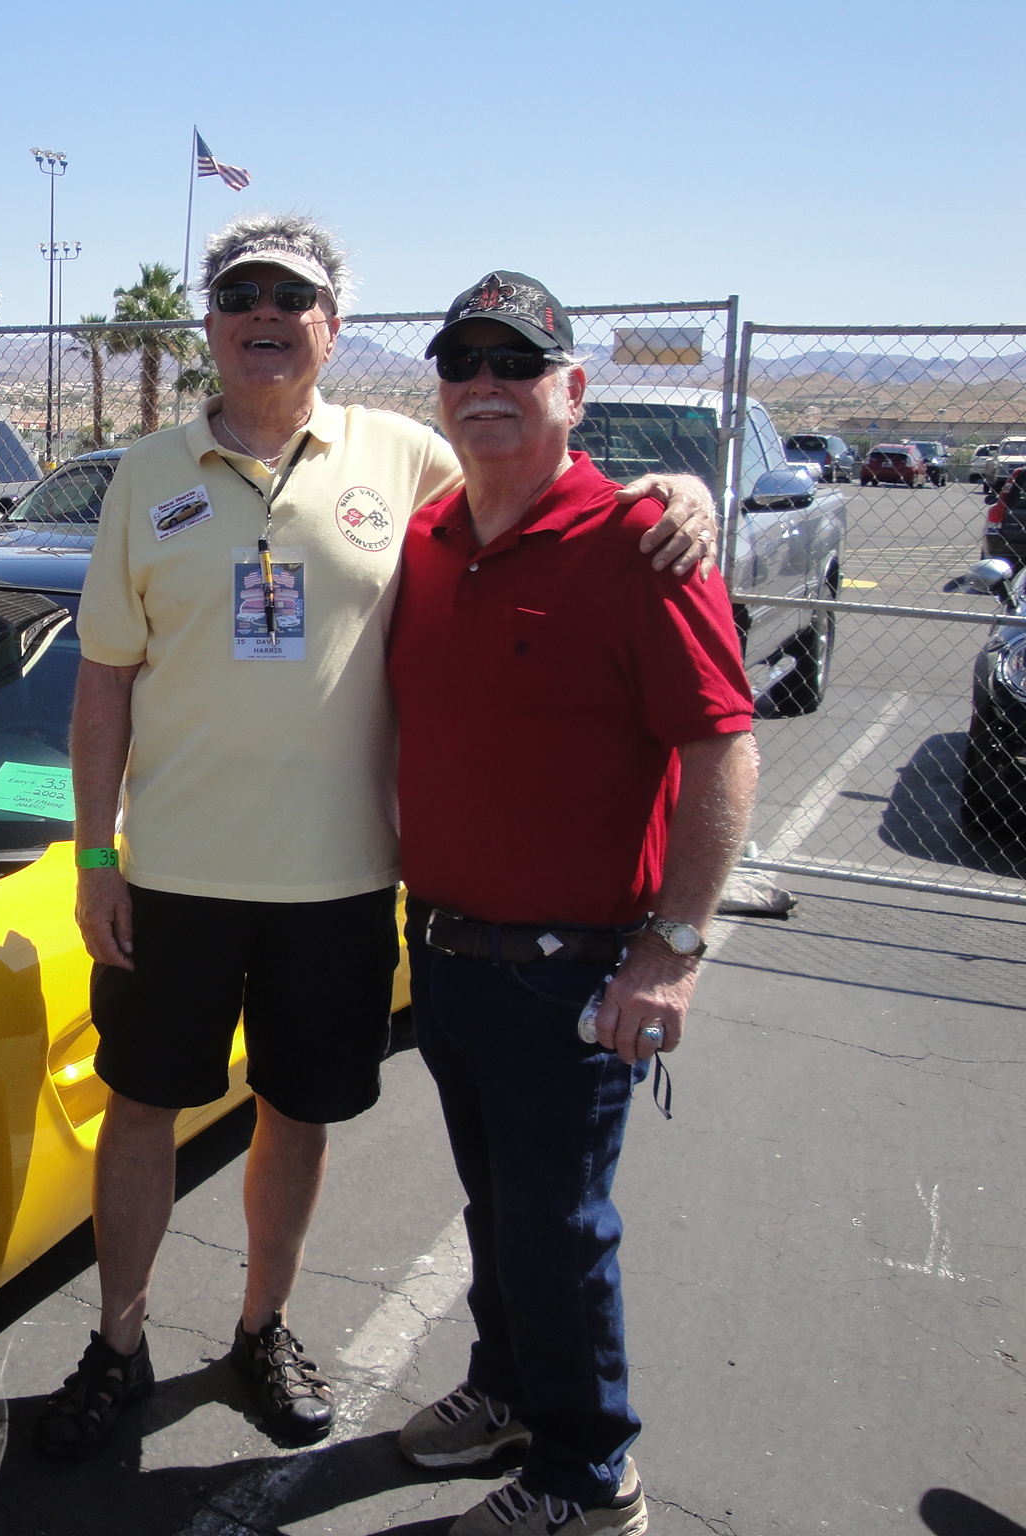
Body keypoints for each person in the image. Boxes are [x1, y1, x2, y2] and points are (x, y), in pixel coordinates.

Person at [36, 219, 719, 1459]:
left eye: (288, 297)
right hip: (171, 880)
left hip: (342, 887)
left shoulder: (402, 455)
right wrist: (93, 860)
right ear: (207, 323)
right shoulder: (145, 474)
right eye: (235, 293)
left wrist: (672, 492)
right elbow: (101, 685)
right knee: (140, 1111)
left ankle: (261, 1330)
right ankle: (118, 1343)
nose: (261, 313)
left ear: (329, 328)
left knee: (296, 1117)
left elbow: (538, 484)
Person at [387, 271, 758, 1533]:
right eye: (463, 363)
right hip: (441, 951)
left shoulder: (638, 543)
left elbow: (720, 746)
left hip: (569, 972)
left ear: (570, 392)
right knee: (497, 1209)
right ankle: (504, 1394)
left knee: (557, 1228)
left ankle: (588, 1476)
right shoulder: (429, 538)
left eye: (515, 364)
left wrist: (672, 949)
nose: (484, 385)